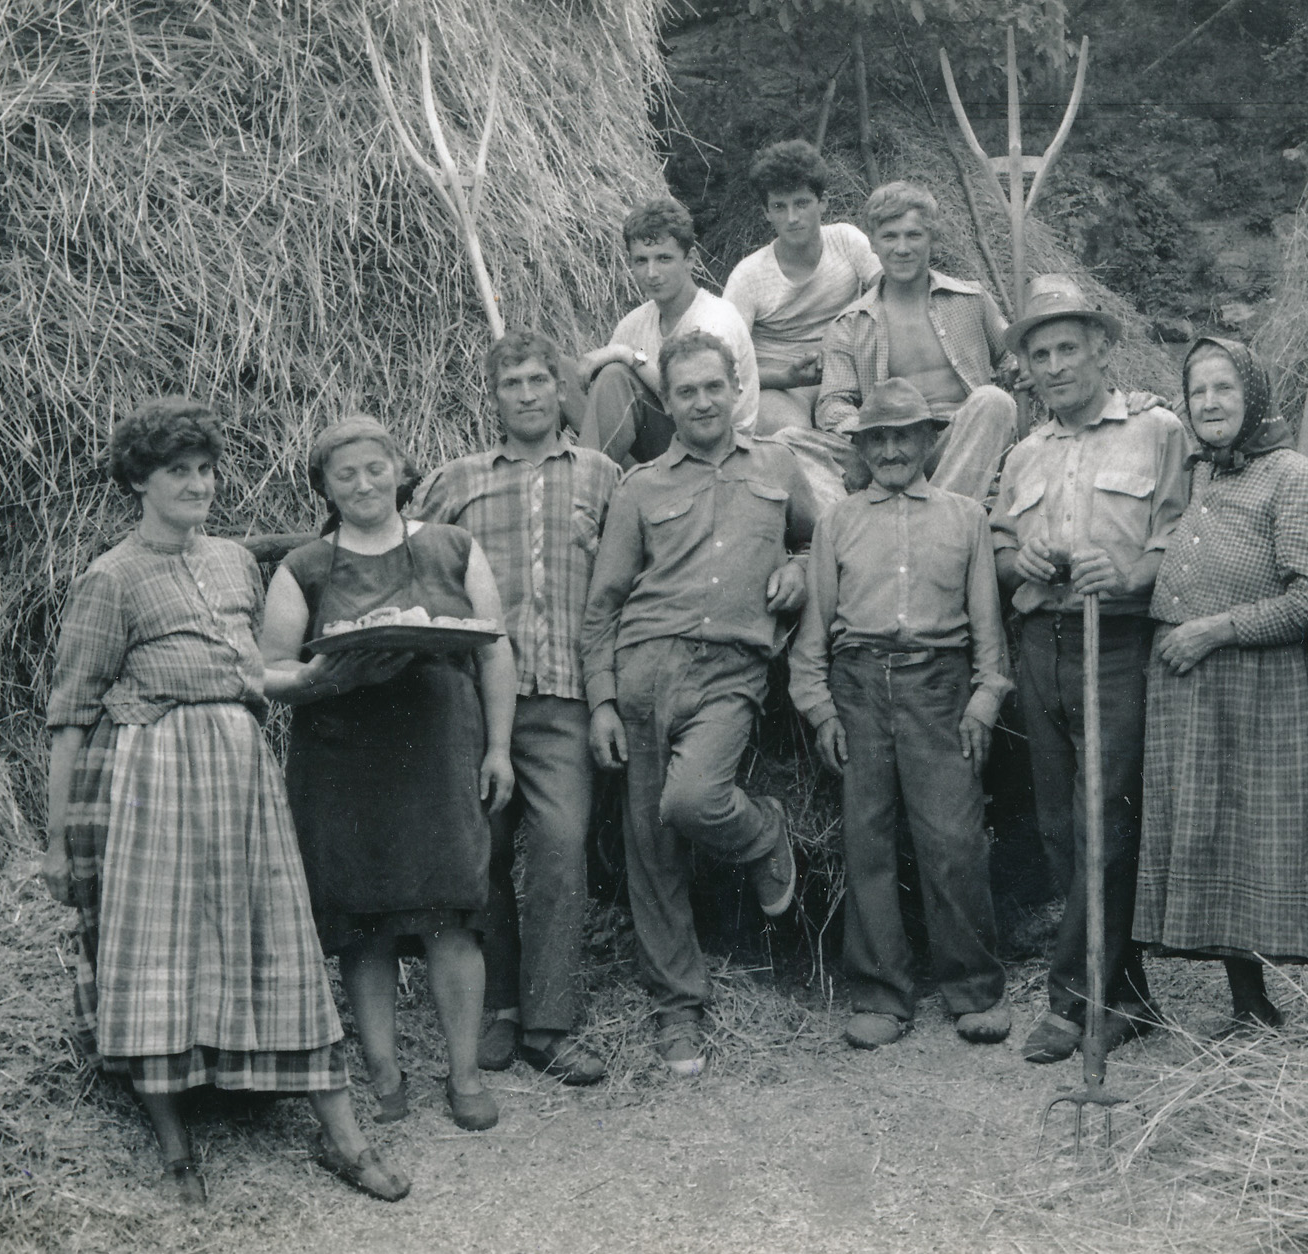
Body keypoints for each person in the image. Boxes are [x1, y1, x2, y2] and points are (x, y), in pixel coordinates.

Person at [41, 397, 406, 1205]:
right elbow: (69, 715)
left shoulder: (236, 563)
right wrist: (58, 842)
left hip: (240, 776)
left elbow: (253, 677)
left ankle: (343, 1138)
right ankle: (175, 1144)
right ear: (139, 481)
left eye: (206, 470)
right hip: (153, 783)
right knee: (157, 952)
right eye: (178, 471)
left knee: (279, 937)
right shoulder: (110, 578)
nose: (198, 485)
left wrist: (318, 677)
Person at [259, 417, 518, 1133]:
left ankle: (464, 1076)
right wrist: (318, 678)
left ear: (401, 470)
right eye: (345, 474)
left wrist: (499, 748)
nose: (364, 484)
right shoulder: (305, 567)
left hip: (440, 758)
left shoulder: (452, 546)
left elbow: (494, 650)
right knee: (361, 923)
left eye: (376, 468)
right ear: (325, 488)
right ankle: (384, 1073)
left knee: (453, 917)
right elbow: (268, 670)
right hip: (342, 764)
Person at [581, 331, 818, 1077]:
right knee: (651, 846)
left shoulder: (778, 464)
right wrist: (602, 700)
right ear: (669, 402)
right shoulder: (640, 487)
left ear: (736, 387)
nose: (703, 402)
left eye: (714, 386)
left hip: (730, 669)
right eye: (686, 391)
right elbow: (603, 604)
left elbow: (820, 541)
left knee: (691, 800)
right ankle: (678, 1007)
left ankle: (764, 835)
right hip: (646, 666)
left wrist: (800, 569)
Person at [1133, 337, 1308, 1030]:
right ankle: (1251, 1007)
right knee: (1219, 841)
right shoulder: (1200, 476)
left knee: (1291, 835)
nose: (1209, 403)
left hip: (1272, 690)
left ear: (1254, 396)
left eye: (1225, 389)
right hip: (1199, 695)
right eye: (1198, 391)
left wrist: (1216, 630)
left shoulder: (1294, 477)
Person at [989, 276, 1189, 1068]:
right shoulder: (1024, 453)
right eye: (1040, 355)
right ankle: (1127, 997)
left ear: (1101, 348)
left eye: (1068, 348)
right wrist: (1023, 560)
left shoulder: (1157, 431)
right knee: (1058, 826)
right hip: (1042, 644)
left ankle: (1071, 1000)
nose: (1055, 366)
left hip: (1117, 644)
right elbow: (999, 549)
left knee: (1106, 820)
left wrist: (1129, 575)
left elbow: (1181, 539)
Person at [409, 332, 617, 1085]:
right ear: (492, 399)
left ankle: (548, 1025)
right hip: (474, 701)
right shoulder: (458, 480)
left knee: (561, 848)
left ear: (561, 390)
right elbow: (404, 554)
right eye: (511, 384)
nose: (527, 395)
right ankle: (498, 1007)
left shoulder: (602, 475)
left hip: (565, 696)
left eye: (538, 380)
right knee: (484, 852)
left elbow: (625, 578)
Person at [790, 378, 1014, 1051]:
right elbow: (813, 633)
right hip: (858, 686)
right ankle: (881, 994)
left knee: (953, 840)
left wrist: (985, 697)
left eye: (904, 436)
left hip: (939, 687)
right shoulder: (837, 522)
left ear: (927, 441)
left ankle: (973, 988)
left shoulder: (964, 517)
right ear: (861, 449)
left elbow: (987, 626)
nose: (891, 450)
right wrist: (820, 708)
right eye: (878, 439)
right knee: (868, 842)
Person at [818, 181, 1021, 503]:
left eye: (913, 235)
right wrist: (870, 432)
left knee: (993, 401)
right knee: (790, 442)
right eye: (890, 237)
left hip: (958, 442)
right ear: (872, 243)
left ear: (933, 239)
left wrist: (1020, 368)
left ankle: (934, 513)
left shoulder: (971, 299)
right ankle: (890, 507)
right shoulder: (850, 323)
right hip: (887, 449)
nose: (902, 248)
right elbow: (832, 403)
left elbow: (1013, 356)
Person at [564, 197, 760, 467]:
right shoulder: (634, 323)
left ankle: (582, 482)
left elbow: (695, 398)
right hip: (658, 447)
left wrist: (628, 355)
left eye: (664, 259)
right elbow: (604, 405)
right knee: (559, 369)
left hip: (716, 451)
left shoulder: (715, 320)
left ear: (690, 260)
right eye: (641, 261)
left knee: (616, 376)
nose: (652, 273)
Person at [723, 139, 880, 433]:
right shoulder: (748, 277)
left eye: (802, 203)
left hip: (846, 374)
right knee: (792, 437)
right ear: (766, 212)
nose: (792, 218)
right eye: (779, 207)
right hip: (779, 386)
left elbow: (890, 292)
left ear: (823, 202)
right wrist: (785, 377)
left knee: (873, 431)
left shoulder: (847, 241)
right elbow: (724, 366)